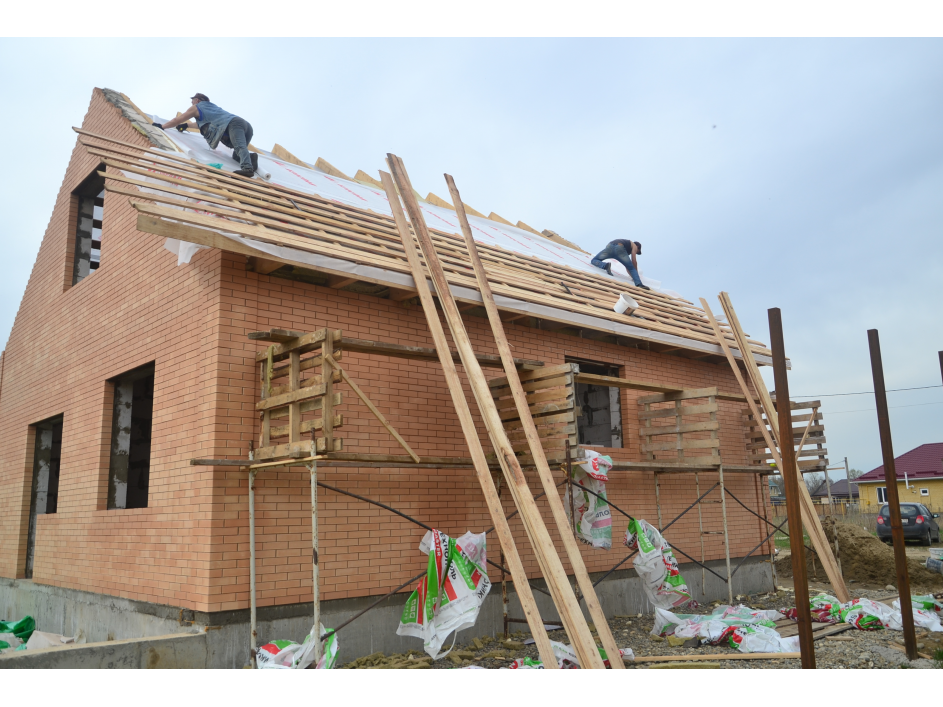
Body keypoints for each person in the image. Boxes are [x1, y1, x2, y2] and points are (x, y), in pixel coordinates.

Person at [152, 93, 258, 178]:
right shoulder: (211, 108)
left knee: (239, 146)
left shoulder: (197, 107)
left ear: (197, 100)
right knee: (237, 155)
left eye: (192, 102)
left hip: (234, 124)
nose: (192, 104)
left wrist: (162, 126)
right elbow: (204, 124)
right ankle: (251, 158)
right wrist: (186, 125)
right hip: (246, 127)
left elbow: (178, 119)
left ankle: (247, 169)